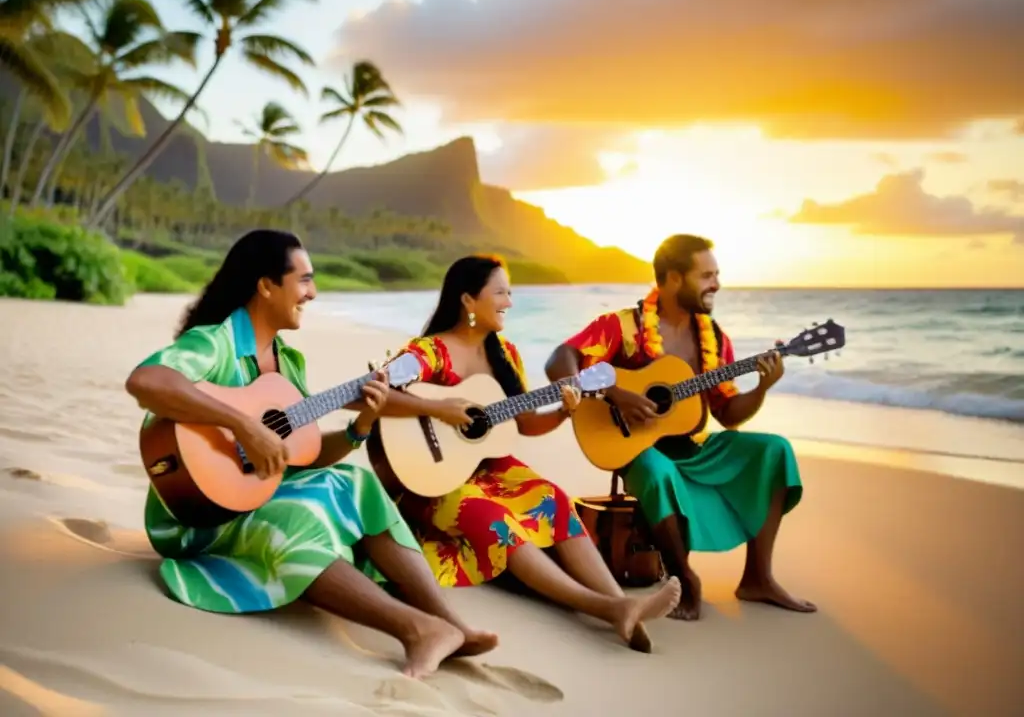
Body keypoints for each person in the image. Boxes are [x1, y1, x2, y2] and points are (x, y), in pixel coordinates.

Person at [124, 229, 497, 679]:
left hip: (249, 494)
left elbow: (301, 457)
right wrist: (242, 423)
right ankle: (416, 629)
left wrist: (360, 428)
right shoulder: (215, 341)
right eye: (303, 280)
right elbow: (146, 382)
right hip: (196, 515)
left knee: (358, 482)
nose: (313, 293)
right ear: (266, 285)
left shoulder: (287, 362)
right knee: (296, 514)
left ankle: (453, 625)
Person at [361, 255, 681, 651]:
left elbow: (526, 424)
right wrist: (438, 408)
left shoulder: (506, 354)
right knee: (495, 519)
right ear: (467, 300)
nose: (509, 302)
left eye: (510, 292)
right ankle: (609, 609)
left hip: (488, 466)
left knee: (554, 500)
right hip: (429, 479)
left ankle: (621, 602)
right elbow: (375, 393)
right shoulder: (430, 352)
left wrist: (565, 411)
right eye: (500, 292)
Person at [545, 234, 815, 621]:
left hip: (692, 446)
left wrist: (762, 387)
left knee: (775, 450)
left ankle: (758, 577)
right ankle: (685, 580)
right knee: (659, 470)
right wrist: (615, 392)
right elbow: (560, 361)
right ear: (672, 278)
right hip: (636, 450)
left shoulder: (714, 338)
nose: (716, 284)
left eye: (717, 274)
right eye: (706, 275)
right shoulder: (623, 326)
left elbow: (728, 414)